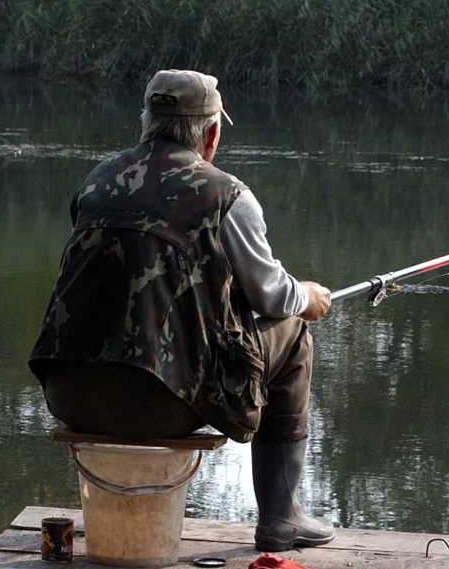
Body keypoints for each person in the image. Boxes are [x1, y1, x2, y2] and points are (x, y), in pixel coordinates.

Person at [28, 69, 335, 552]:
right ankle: (282, 518)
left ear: (144, 123)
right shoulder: (227, 195)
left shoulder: (96, 184)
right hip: (161, 405)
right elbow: (273, 299)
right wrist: (309, 296)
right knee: (294, 334)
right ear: (212, 133)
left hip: (68, 394)